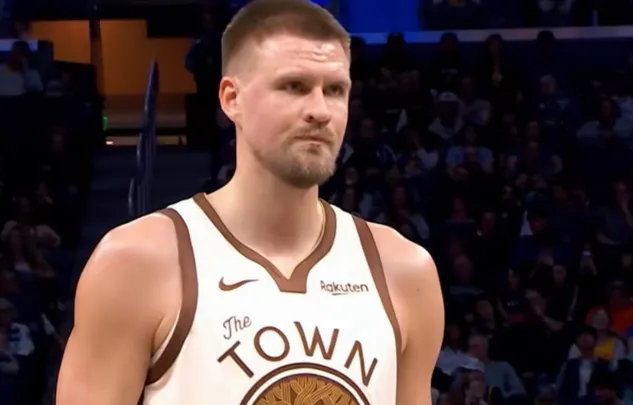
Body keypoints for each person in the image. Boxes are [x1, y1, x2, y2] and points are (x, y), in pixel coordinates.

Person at [56, 0, 445, 404]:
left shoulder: (404, 271)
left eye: (334, 90)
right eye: (294, 86)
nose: (319, 110)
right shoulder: (135, 262)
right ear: (231, 99)